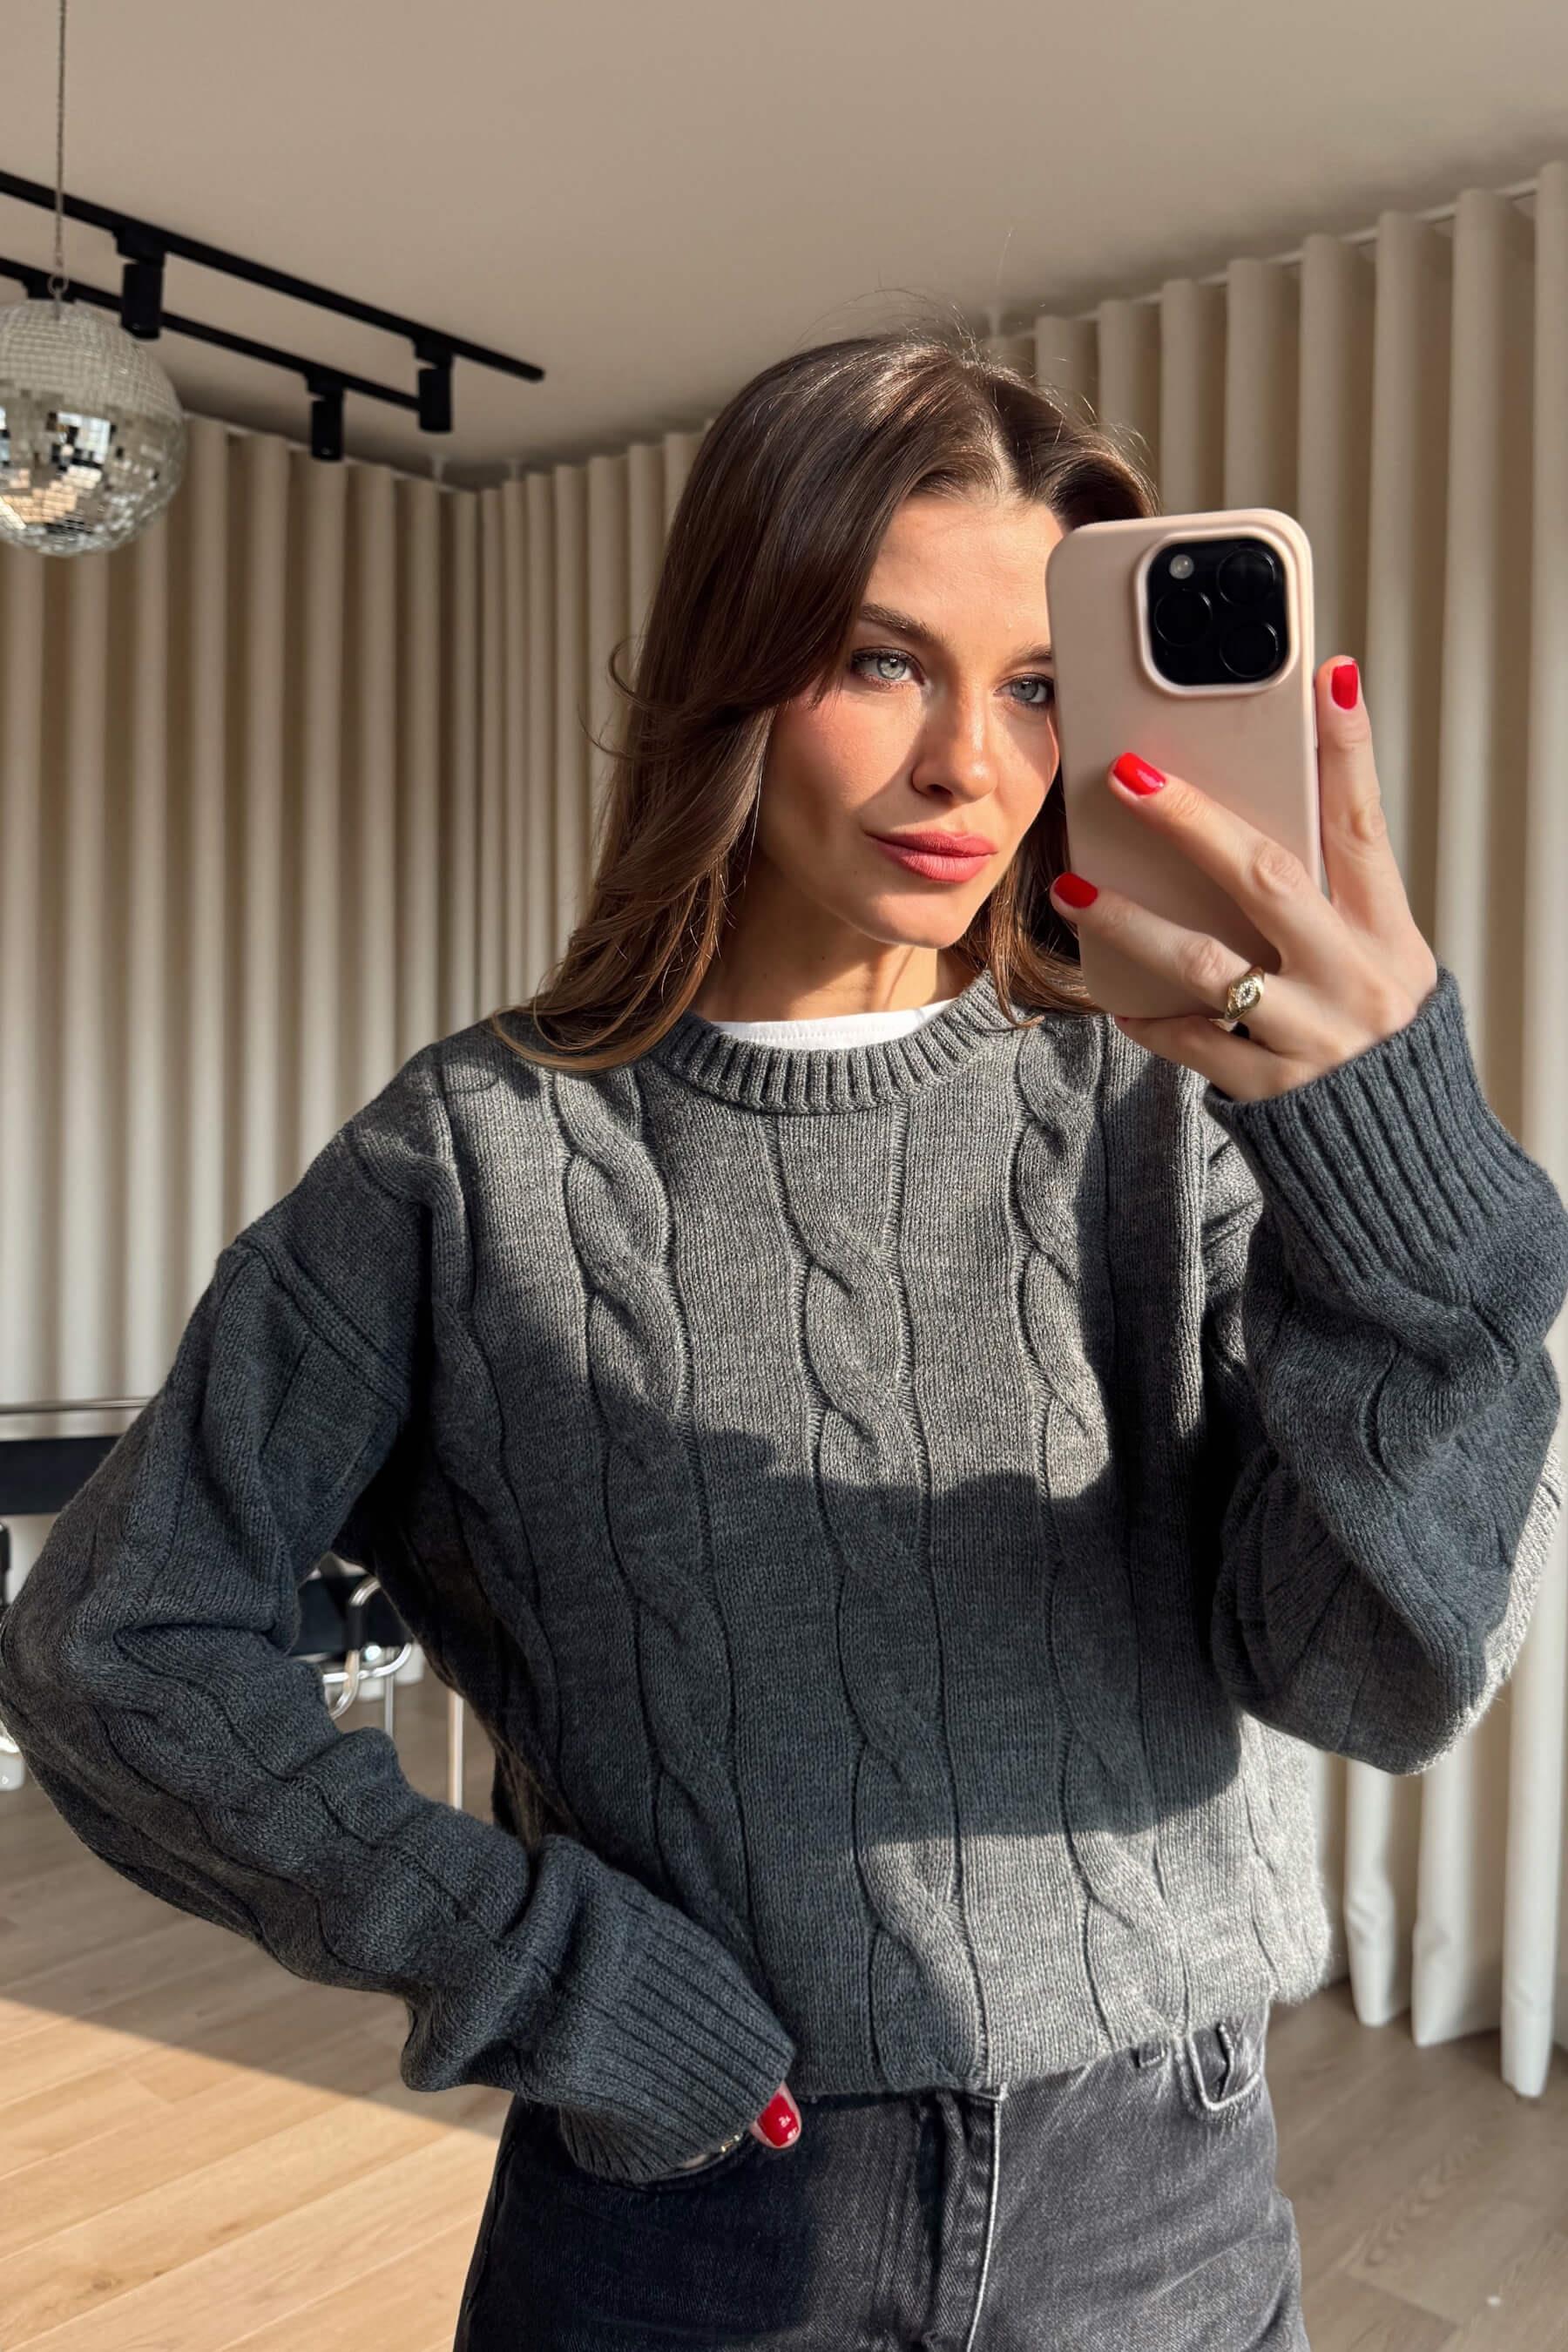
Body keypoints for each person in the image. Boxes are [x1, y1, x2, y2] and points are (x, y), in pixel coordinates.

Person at [3, 326, 1565, 2352]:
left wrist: (1408, 1191)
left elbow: (1373, 1672)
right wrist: (538, 1966)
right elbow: (116, 1639)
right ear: (730, 670)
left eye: (1038, 686)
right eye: (880, 661)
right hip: (696, 2215)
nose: (969, 768)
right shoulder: (471, 1159)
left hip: (1156, 2200)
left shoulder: (1159, 1116)